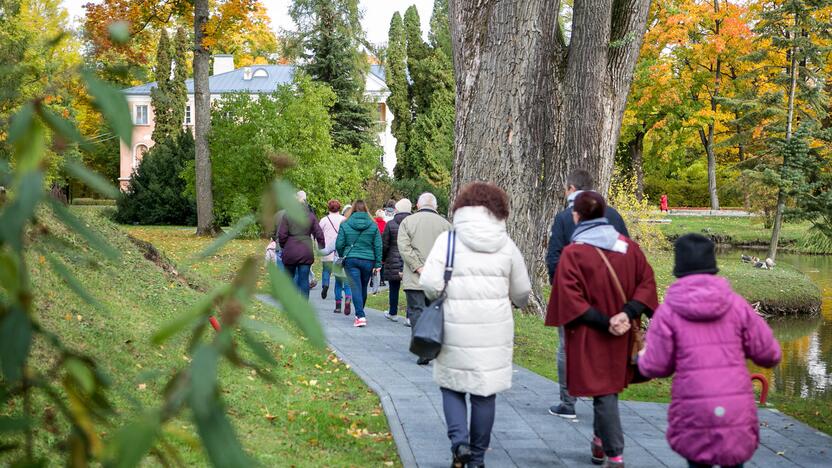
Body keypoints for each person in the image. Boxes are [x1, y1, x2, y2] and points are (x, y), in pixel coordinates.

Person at [638, 234, 781, 468]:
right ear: (713, 267)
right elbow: (770, 354)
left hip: (693, 410)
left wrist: (642, 357)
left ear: (679, 267)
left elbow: (655, 366)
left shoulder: (669, 312)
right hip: (735, 408)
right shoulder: (737, 306)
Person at [420, 182, 531, 468]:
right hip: (493, 328)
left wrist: (445, 293)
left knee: (451, 386)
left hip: (454, 325)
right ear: (499, 211)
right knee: (484, 392)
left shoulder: (449, 241)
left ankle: (459, 442)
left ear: (462, 208)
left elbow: (430, 283)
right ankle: (478, 457)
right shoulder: (507, 246)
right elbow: (522, 293)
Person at [546, 191, 658, 468]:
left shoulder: (574, 254)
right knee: (606, 389)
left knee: (604, 389)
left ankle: (614, 453)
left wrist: (605, 320)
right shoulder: (629, 248)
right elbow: (647, 282)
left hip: (590, 334)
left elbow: (570, 297)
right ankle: (599, 439)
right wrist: (627, 313)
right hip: (623, 332)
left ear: (577, 216)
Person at [544, 169, 630, 420]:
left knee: (567, 346)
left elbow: (554, 257)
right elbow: (628, 251)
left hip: (574, 291)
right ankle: (603, 399)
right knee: (605, 345)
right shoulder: (613, 215)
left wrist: (559, 286)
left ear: (571, 188)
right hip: (609, 293)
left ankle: (567, 401)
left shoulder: (563, 218)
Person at [398, 192, 451, 363]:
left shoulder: (407, 222)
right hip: (438, 279)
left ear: (418, 205)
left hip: (415, 278)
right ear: (435, 206)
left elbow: (404, 247)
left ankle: (421, 347)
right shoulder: (446, 226)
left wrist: (418, 266)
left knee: (416, 311)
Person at [336, 200, 382, 328]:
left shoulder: (345, 224)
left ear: (353, 209)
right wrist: (378, 263)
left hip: (351, 259)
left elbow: (339, 243)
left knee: (355, 287)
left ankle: (360, 316)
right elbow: (378, 245)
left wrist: (341, 255)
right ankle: (359, 313)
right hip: (368, 260)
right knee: (362, 287)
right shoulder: (373, 225)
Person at [278, 191, 325, 299]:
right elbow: (319, 233)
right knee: (304, 279)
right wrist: (321, 246)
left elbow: (282, 234)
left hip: (290, 250)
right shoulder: (311, 216)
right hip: (305, 251)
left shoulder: (287, 216)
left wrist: (284, 246)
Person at [381, 198, 412, 322]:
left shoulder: (390, 224)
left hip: (392, 258)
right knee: (410, 288)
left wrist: (383, 259)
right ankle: (409, 316)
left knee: (393, 287)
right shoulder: (413, 223)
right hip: (409, 259)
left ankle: (393, 312)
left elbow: (385, 244)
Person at [319, 199, 352, 314]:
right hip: (348, 261)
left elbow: (319, 235)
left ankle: (337, 305)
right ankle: (348, 298)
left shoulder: (324, 220)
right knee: (347, 282)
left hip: (336, 258)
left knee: (335, 280)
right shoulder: (344, 220)